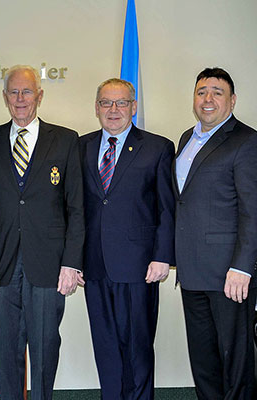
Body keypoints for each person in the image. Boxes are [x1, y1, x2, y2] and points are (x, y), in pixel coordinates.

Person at [0, 65, 84, 400]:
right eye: (14, 92)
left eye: (27, 92)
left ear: (40, 95)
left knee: (45, 346)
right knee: (7, 349)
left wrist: (72, 263)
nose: (21, 99)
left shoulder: (65, 140)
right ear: (5, 97)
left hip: (50, 264)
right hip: (2, 263)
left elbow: (76, 208)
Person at [79, 78, 175, 399]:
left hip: (139, 267)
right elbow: (74, 209)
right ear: (96, 108)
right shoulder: (81, 147)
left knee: (137, 349)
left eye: (121, 103)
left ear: (134, 107)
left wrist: (163, 256)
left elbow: (167, 207)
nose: (113, 109)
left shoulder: (158, 147)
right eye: (106, 102)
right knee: (105, 349)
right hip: (94, 267)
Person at [174, 67, 257, 399]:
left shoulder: (246, 141)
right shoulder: (186, 138)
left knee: (235, 361)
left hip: (229, 275)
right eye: (201, 91)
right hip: (192, 272)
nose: (207, 99)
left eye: (217, 92)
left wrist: (242, 267)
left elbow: (253, 210)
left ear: (232, 100)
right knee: (203, 361)